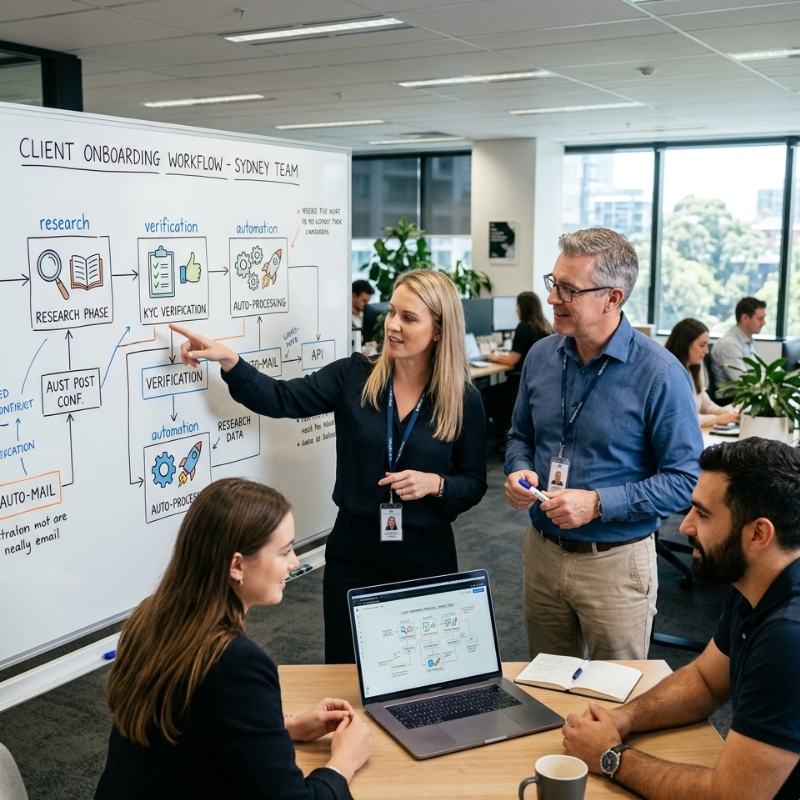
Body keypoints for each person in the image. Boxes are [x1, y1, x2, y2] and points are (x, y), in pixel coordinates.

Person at [170, 269, 487, 663]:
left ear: (439, 331)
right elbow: (282, 399)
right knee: (344, 666)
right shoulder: (353, 376)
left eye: (409, 318)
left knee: (423, 666)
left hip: (426, 551)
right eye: (390, 312)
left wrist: (436, 484)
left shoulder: (462, 399)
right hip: (355, 548)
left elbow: (473, 482)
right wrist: (231, 361)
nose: (392, 326)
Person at [95, 478, 372, 800]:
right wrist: (343, 762)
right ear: (237, 565)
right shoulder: (237, 664)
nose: (295, 562)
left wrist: (284, 726)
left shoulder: (151, 617)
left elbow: (194, 723)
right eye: (284, 552)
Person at [562, 437, 800, 800]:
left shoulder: (788, 637)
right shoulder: (754, 582)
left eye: (703, 514)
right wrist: (624, 719)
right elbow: (705, 681)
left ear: (758, 534)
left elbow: (731, 796)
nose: (685, 526)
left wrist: (609, 757)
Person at [504, 228, 703, 661]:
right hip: (542, 552)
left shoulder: (660, 374)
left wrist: (597, 503)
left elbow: (686, 481)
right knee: (547, 688)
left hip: (615, 564)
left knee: (615, 701)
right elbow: (520, 435)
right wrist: (518, 468)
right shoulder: (540, 356)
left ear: (612, 298)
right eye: (553, 283)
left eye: (569, 289)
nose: (554, 298)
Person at [484, 291, 553, 435]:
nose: (516, 310)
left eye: (517, 306)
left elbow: (512, 360)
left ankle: (501, 432)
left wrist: (492, 357)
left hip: (520, 386)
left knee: (483, 393)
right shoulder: (546, 326)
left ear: (524, 307)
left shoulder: (524, 327)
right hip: (540, 385)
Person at [664, 318, 740, 427]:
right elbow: (681, 417)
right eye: (702, 345)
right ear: (684, 344)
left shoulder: (693, 367)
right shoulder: (669, 375)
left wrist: (730, 414)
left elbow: (705, 404)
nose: (706, 351)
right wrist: (717, 419)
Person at [710, 296, 767, 389]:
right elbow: (742, 381)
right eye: (760, 319)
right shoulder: (729, 343)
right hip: (731, 399)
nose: (764, 323)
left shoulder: (749, 340)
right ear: (745, 318)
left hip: (749, 394)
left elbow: (759, 372)